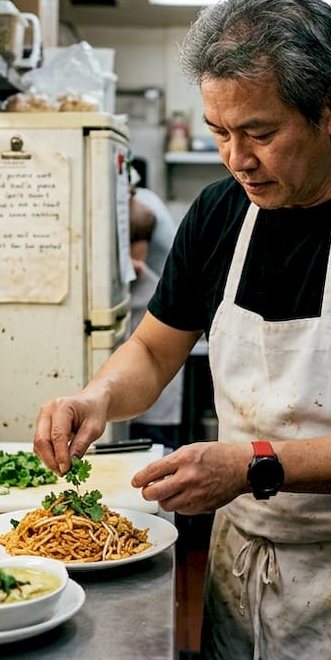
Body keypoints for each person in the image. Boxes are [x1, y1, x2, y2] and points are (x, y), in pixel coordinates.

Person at [34, 0, 331, 660]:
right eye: (220, 132)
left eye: (261, 133)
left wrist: (254, 465)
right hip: (240, 566)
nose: (237, 159)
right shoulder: (219, 214)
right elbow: (153, 349)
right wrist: (95, 397)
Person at [127, 157, 185, 448]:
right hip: (146, 333)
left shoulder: (140, 208)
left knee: (153, 445)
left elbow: (135, 266)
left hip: (157, 332)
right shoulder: (143, 199)